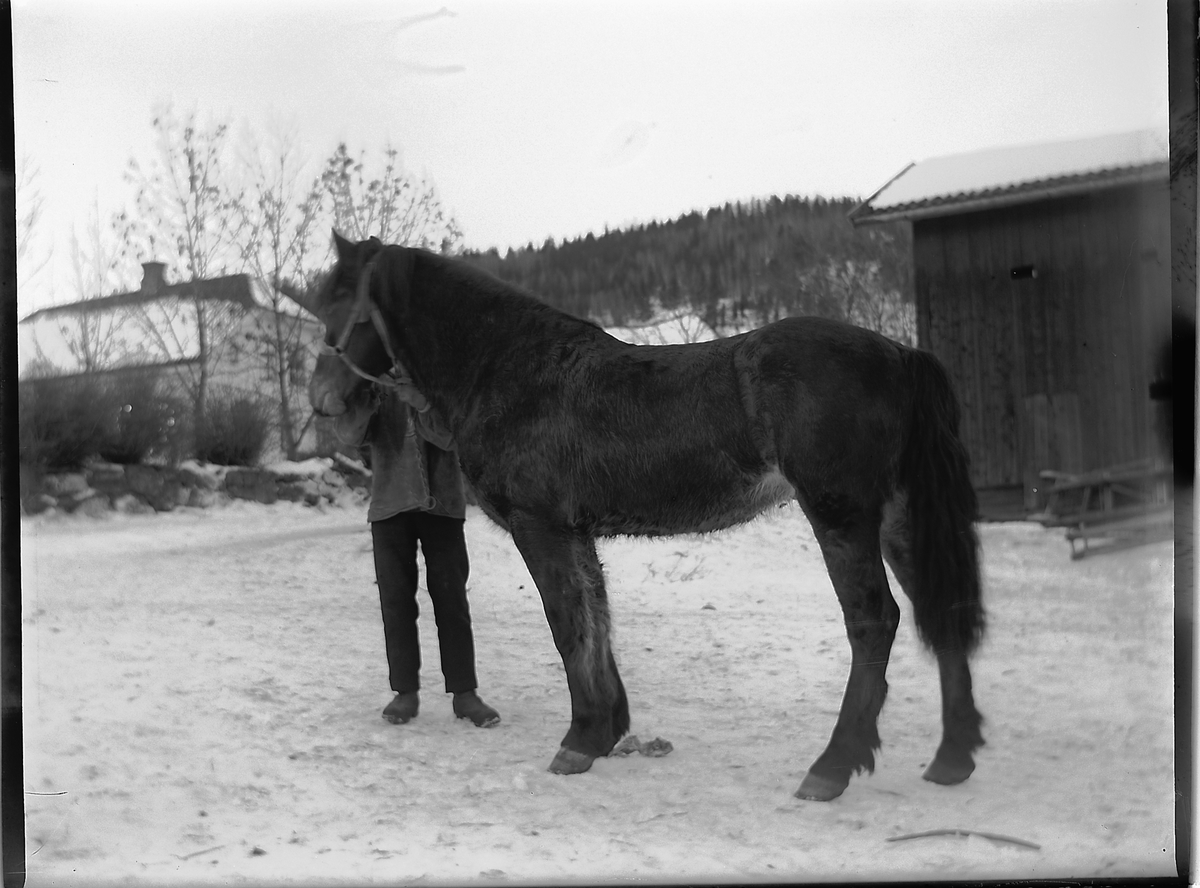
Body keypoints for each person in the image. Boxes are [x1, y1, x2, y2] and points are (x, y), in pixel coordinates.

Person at [336, 381, 500, 728]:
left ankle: (464, 694)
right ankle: (405, 693)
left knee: (452, 600)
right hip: (389, 507)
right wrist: (362, 400)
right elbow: (350, 434)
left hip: (443, 507)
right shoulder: (370, 378)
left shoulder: (433, 371)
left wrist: (423, 402)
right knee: (395, 602)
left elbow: (451, 437)